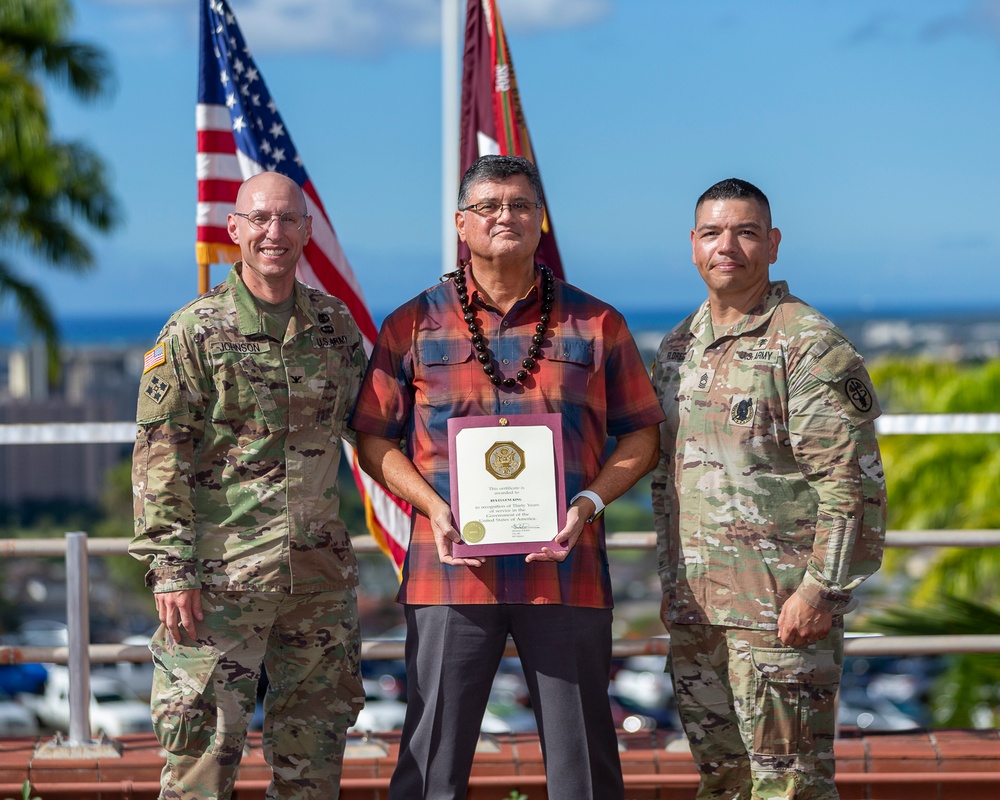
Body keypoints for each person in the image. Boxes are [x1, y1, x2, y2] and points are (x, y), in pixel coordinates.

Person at [350, 154, 664, 800]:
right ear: (461, 224)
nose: (506, 217)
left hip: (566, 569)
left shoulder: (597, 323)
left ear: (541, 220)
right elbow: (373, 437)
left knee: (585, 768)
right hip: (448, 572)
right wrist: (430, 507)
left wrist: (589, 502)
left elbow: (643, 434)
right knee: (431, 762)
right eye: (489, 206)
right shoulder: (410, 325)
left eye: (520, 205)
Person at [130, 171, 366, 800]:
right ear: (233, 229)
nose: (274, 232)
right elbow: (160, 459)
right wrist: (171, 569)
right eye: (260, 218)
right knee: (202, 763)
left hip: (316, 579)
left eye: (288, 220)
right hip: (218, 584)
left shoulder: (334, 328)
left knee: (314, 764)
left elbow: (374, 427)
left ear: (307, 233)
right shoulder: (193, 333)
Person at [651, 178, 887, 799]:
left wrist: (821, 591)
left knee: (790, 789)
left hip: (779, 617)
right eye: (712, 232)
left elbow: (850, 485)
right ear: (693, 246)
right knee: (724, 784)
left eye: (746, 232)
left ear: (773, 244)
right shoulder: (678, 348)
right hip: (697, 614)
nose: (727, 246)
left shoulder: (805, 344)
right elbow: (660, 471)